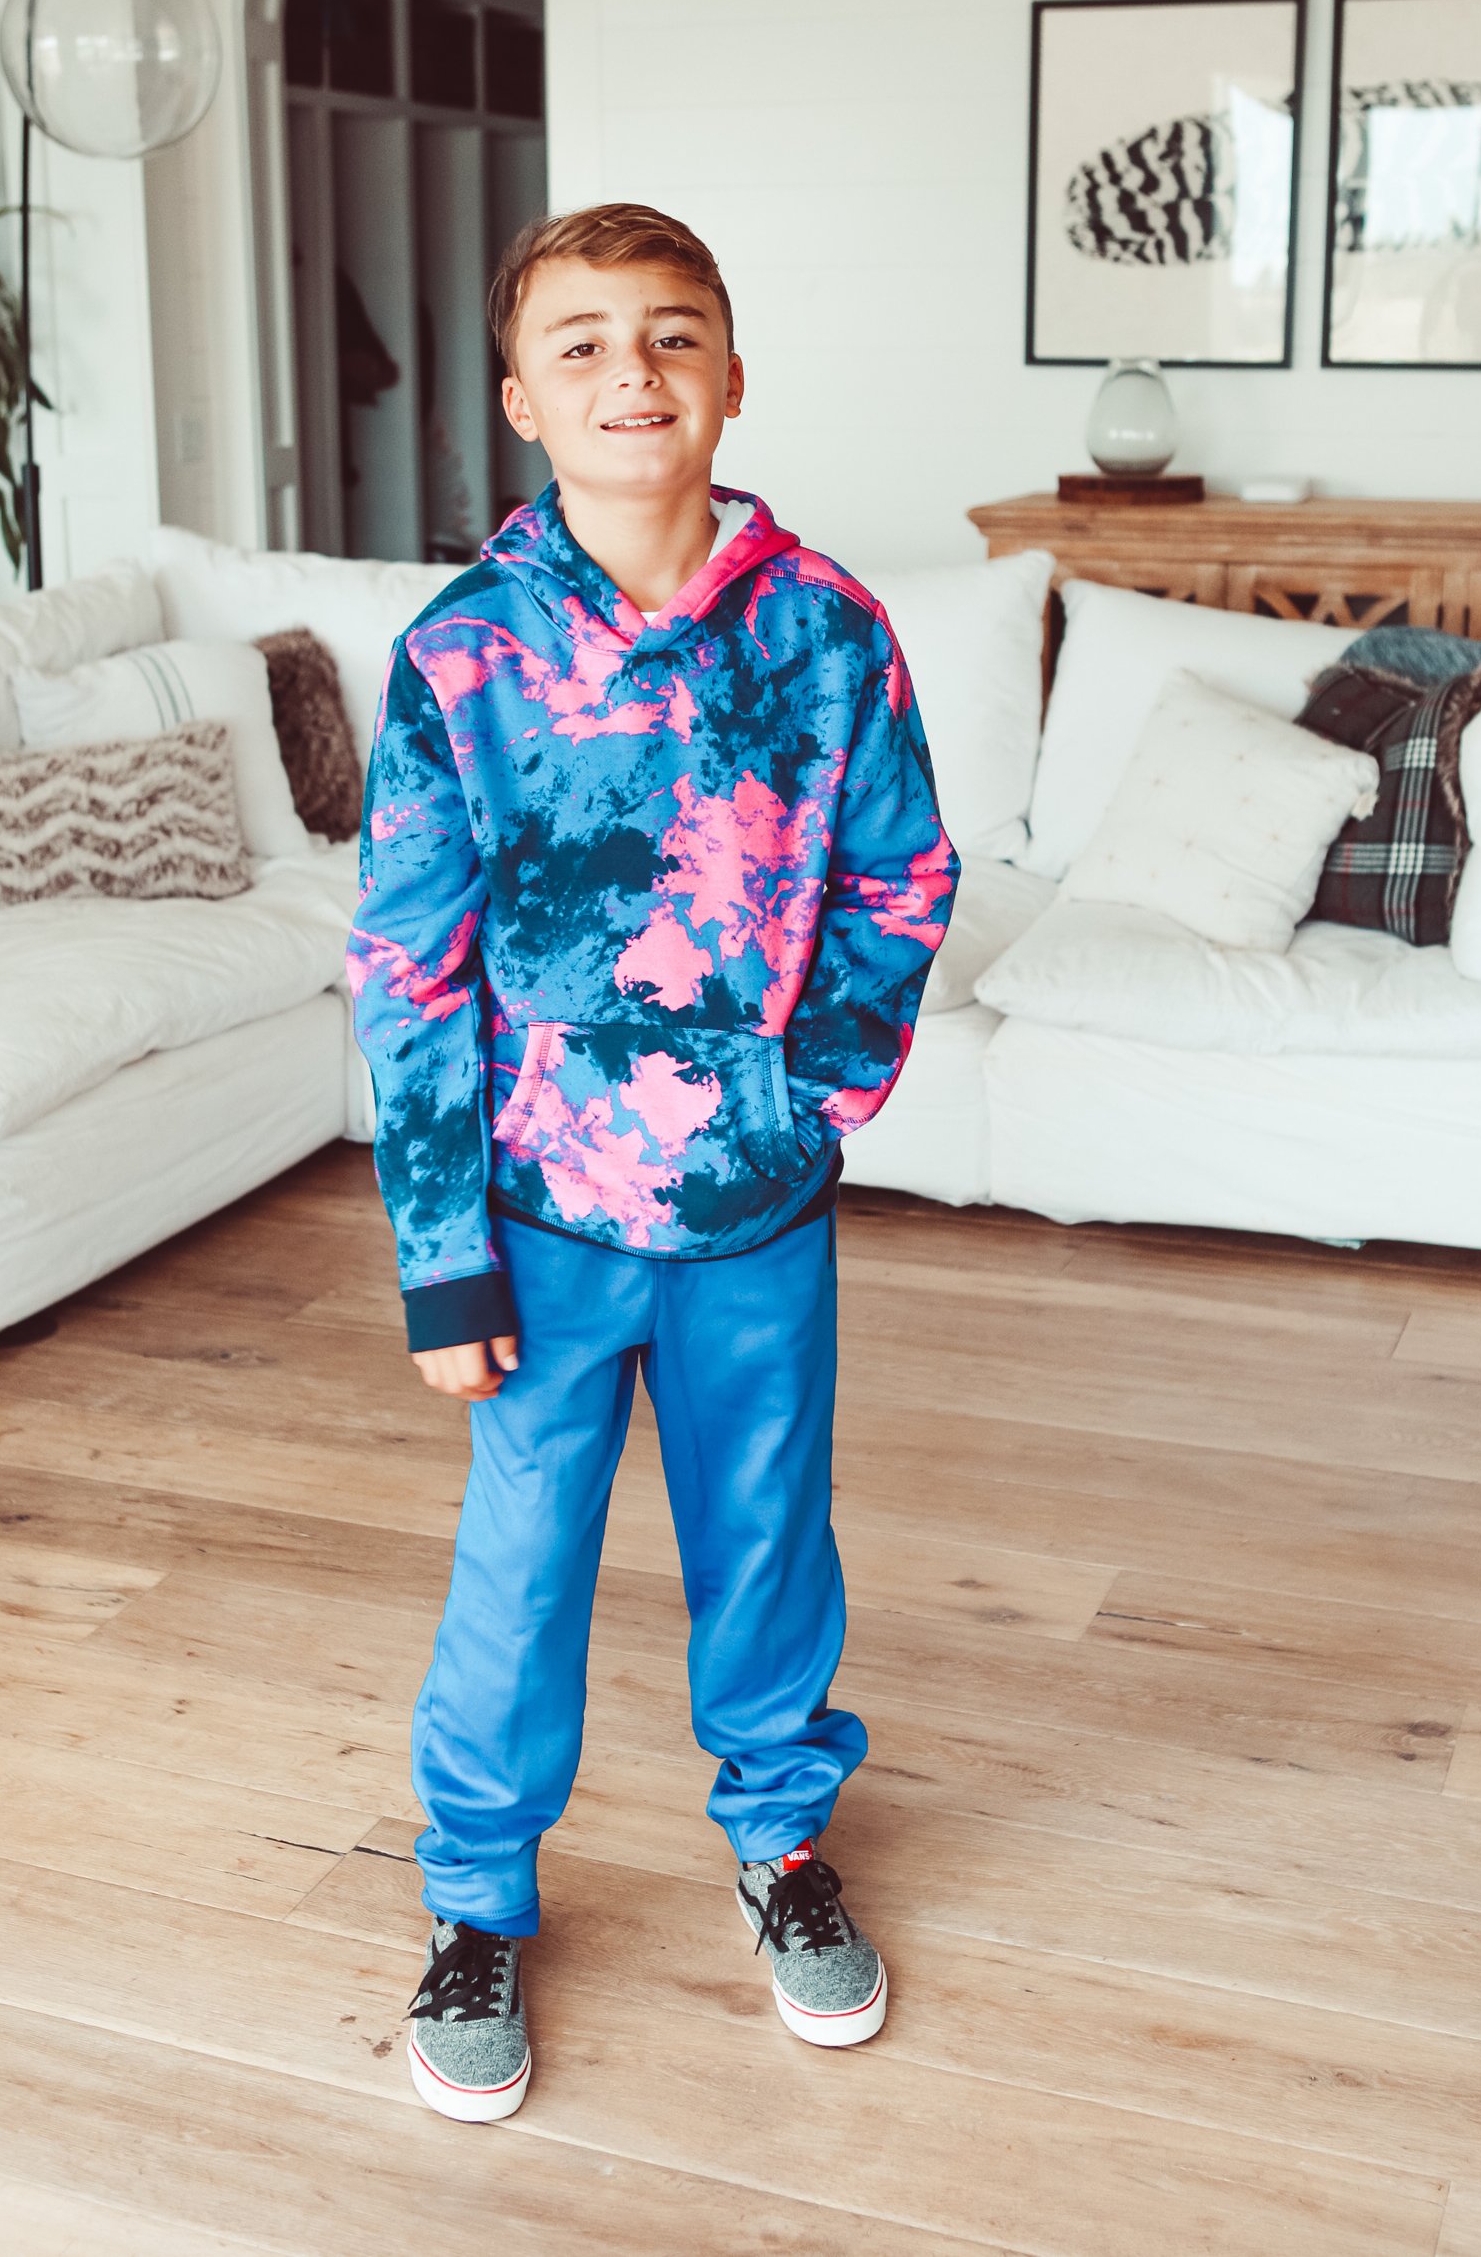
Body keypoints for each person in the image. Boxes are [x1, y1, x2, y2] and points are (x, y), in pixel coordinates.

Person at [348, 201, 960, 2123]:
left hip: (756, 1214)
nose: (636, 371)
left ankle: (782, 1847)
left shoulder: (829, 629)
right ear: (525, 396)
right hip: (533, 1223)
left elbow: (903, 875)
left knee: (767, 1540)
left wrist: (815, 1101)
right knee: (520, 1566)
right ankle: (473, 1901)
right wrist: (442, 1256)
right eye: (588, 342)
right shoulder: (461, 655)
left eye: (675, 335)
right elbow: (406, 962)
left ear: (733, 379)